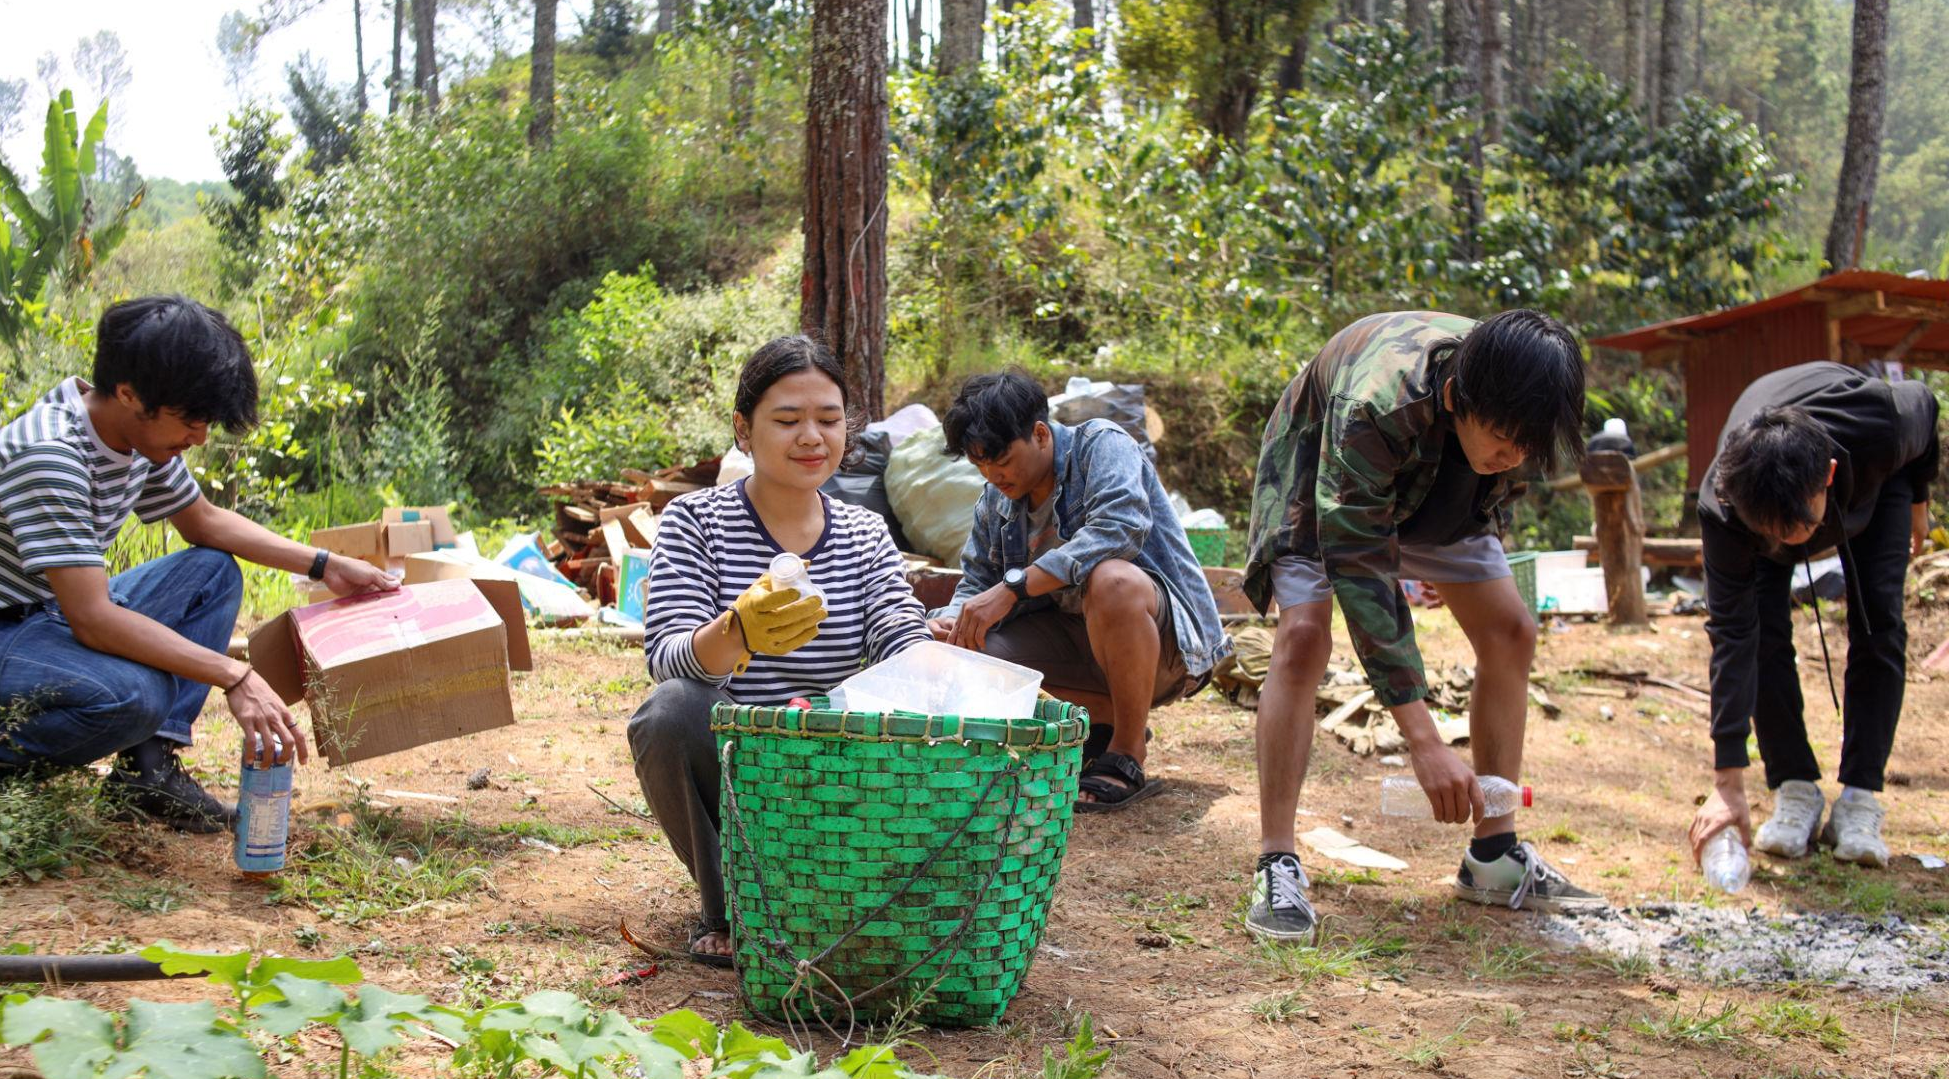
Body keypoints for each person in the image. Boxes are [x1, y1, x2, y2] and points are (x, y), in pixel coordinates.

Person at [0, 296, 396, 832]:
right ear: (128, 393)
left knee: (213, 572)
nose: (199, 437)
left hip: (38, 619)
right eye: (190, 419)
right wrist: (234, 675)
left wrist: (326, 565)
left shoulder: (135, 438)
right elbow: (93, 619)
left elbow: (205, 523)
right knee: (137, 696)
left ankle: (147, 773)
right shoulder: (50, 455)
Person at [1240, 309, 1599, 943]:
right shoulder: (1375, 403)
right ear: (1458, 396)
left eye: (1529, 445)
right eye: (1505, 439)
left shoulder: (1518, 395)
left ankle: (1493, 855)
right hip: (1322, 467)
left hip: (1439, 473)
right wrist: (1424, 740)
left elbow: (1497, 471)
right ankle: (1277, 862)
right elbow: (1360, 566)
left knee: (1511, 630)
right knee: (1303, 639)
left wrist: (1445, 531)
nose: (1515, 457)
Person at [629, 334, 932, 968]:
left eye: (829, 419)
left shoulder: (864, 532)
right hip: (738, 768)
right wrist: (737, 631)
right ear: (744, 429)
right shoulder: (695, 521)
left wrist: (935, 663)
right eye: (787, 420)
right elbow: (668, 654)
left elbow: (899, 632)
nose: (812, 438)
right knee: (669, 712)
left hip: (837, 762)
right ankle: (730, 907)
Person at [927, 371, 1231, 812]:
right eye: (980, 465)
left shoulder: (1101, 445)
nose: (993, 475)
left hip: (1166, 650)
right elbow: (976, 582)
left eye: (1002, 459)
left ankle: (1127, 751)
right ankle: (1100, 722)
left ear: (1040, 434)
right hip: (1079, 647)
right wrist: (951, 619)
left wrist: (1014, 587)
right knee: (964, 642)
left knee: (1113, 581)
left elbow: (1118, 528)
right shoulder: (995, 501)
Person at [1687, 362, 1939, 870]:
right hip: (1765, 498)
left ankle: (1860, 798)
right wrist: (1727, 782)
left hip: (1875, 479)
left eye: (1796, 529)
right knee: (1760, 633)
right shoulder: (1726, 502)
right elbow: (1732, 635)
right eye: (1773, 532)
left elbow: (1927, 407)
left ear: (1827, 475)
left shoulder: (1882, 422)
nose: (1786, 542)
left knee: (1879, 622)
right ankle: (1795, 786)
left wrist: (1919, 499)